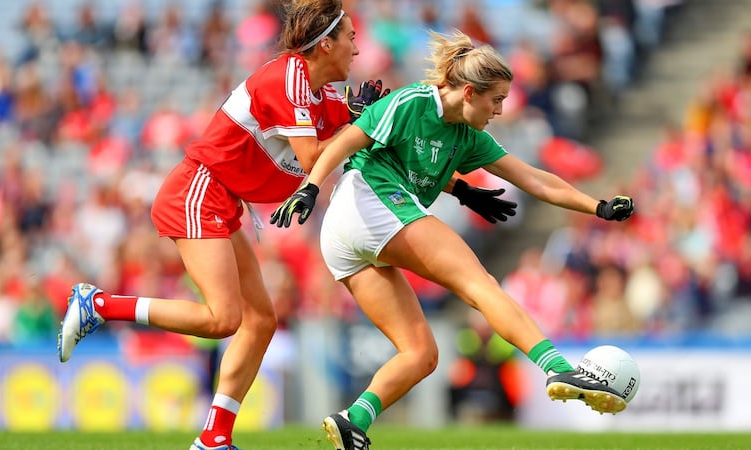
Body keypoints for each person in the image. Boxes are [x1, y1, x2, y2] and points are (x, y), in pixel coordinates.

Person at [271, 30, 634, 450]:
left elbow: (533, 179)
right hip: (366, 201)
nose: (499, 110)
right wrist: (310, 187)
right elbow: (349, 140)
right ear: (468, 92)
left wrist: (598, 207)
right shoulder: (413, 101)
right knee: (479, 285)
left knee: (421, 353)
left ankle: (353, 420)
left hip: (349, 233)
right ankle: (555, 368)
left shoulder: (468, 137)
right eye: (495, 99)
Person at [56, 1, 389, 449]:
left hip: (223, 195)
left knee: (261, 321)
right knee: (223, 319)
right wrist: (360, 121)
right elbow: (314, 159)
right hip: (200, 187)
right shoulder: (289, 78)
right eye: (350, 36)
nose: (357, 46)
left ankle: (214, 438)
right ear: (325, 43)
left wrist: (358, 117)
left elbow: (339, 131)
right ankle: (98, 305)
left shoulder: (320, 90)